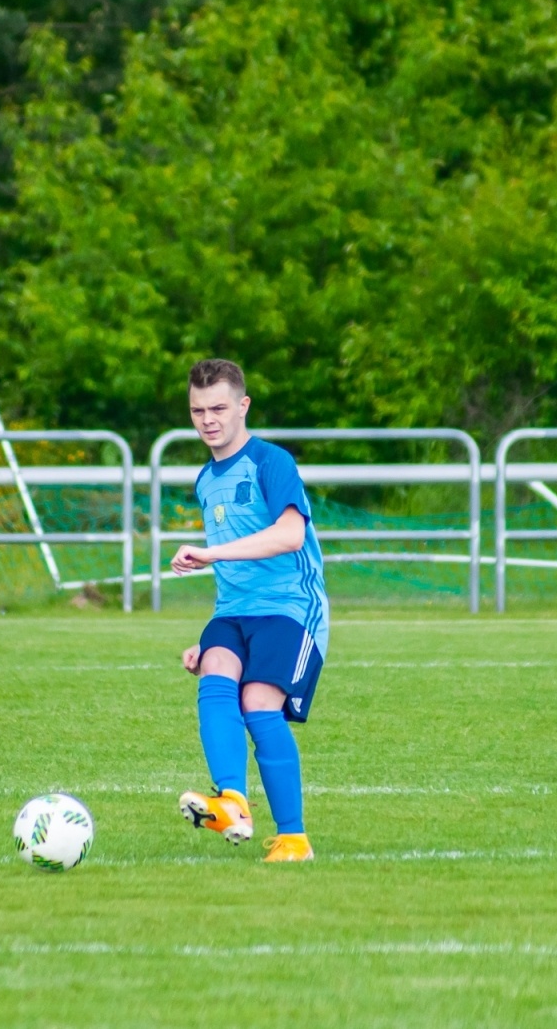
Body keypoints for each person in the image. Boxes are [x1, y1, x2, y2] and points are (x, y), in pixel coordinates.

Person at [170, 359, 329, 863]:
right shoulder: (204, 479)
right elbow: (231, 570)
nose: (207, 419)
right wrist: (210, 636)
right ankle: (232, 801)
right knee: (214, 670)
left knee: (259, 704)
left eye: (218, 407)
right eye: (197, 410)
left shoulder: (271, 462)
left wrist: (210, 553)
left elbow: (290, 535)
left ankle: (294, 838)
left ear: (243, 406)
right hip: (234, 610)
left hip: (289, 608)